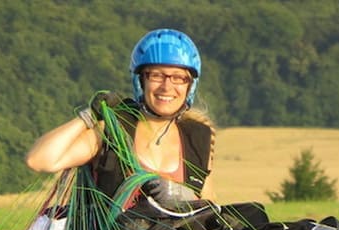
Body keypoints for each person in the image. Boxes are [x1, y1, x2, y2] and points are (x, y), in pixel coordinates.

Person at [26, 28, 216, 208]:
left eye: (178, 78)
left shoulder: (198, 138)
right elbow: (40, 160)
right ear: (141, 81)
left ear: (190, 86)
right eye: (156, 76)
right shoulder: (111, 131)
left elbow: (208, 206)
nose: (167, 87)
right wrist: (90, 116)